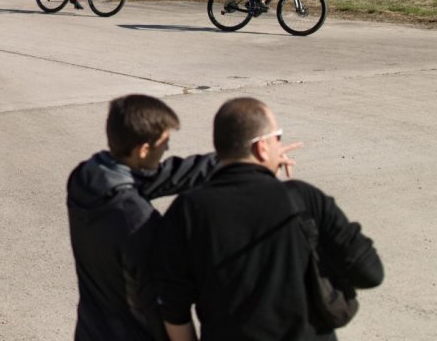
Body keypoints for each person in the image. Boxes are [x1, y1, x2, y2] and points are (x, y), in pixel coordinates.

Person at [155, 98, 383, 341]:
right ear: (261, 147)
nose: (280, 145)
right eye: (278, 137)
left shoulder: (187, 210)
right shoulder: (304, 199)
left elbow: (174, 308)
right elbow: (370, 273)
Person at [67, 95, 216, 341]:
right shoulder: (137, 219)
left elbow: (167, 175)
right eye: (164, 142)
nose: (167, 149)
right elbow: (157, 304)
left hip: (89, 331)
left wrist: (235, 160)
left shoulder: (84, 178)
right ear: (143, 150)